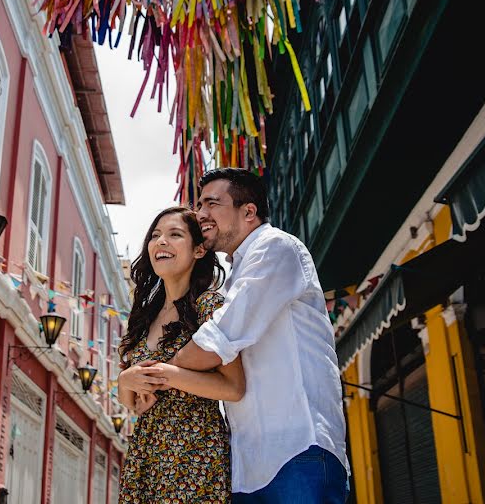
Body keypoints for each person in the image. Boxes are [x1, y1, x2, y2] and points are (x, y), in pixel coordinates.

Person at [146, 168, 349, 502]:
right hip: (248, 463)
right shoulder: (232, 277)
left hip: (298, 447)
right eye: (199, 205)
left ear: (249, 212)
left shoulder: (276, 249)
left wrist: (159, 376)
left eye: (212, 203)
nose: (201, 215)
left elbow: (220, 339)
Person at [116, 206, 245, 503]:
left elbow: (234, 388)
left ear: (199, 250)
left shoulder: (210, 306)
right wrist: (125, 382)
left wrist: (169, 374)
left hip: (195, 455)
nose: (161, 241)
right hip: (146, 454)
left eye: (175, 235)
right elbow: (135, 404)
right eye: (156, 235)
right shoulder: (143, 315)